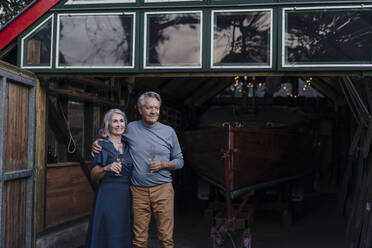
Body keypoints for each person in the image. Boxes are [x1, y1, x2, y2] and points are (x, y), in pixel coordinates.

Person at [92, 91, 184, 248]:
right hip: (138, 190)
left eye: (156, 108)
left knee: (166, 237)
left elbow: (180, 161)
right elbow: (114, 133)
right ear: (140, 110)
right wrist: (97, 142)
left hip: (163, 189)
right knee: (139, 239)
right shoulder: (131, 128)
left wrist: (164, 164)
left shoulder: (169, 132)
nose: (154, 111)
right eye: (149, 108)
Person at [86, 109, 132, 248]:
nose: (119, 124)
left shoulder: (128, 146)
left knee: (122, 230)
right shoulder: (102, 146)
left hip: (124, 195)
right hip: (107, 194)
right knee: (107, 229)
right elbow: (94, 175)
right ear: (108, 125)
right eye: (115, 121)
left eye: (122, 121)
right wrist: (106, 168)